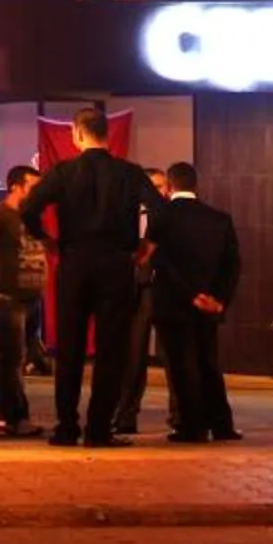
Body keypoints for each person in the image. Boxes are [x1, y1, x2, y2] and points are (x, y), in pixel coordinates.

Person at [21, 104, 164, 446]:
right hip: (116, 264)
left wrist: (45, 239)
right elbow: (160, 209)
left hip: (74, 262)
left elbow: (28, 207)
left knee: (69, 347)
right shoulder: (128, 173)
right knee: (111, 348)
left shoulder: (63, 172)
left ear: (77, 133)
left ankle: (66, 426)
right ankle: (99, 428)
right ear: (105, 133)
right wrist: (147, 244)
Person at [150, 162, 244, 443]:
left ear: (169, 186)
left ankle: (192, 426)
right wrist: (218, 300)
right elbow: (233, 265)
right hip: (210, 307)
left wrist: (189, 295)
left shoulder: (162, 218)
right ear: (196, 185)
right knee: (208, 364)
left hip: (174, 305)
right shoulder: (219, 219)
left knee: (182, 368)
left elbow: (162, 263)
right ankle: (222, 425)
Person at [0, 167, 43, 436]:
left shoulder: (29, 218)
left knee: (15, 360)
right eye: (33, 187)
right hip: (4, 298)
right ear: (16, 187)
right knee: (11, 359)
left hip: (28, 298)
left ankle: (1, 415)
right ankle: (14, 417)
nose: (38, 193)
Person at [112, 166, 171, 438]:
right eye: (153, 187)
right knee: (133, 357)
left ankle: (180, 416)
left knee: (173, 356)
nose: (157, 192)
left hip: (168, 289)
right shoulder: (126, 217)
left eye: (161, 187)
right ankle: (125, 416)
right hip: (137, 290)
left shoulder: (173, 217)